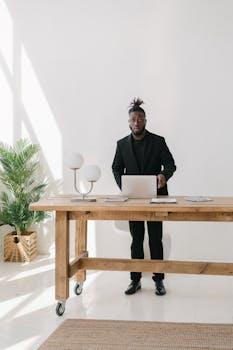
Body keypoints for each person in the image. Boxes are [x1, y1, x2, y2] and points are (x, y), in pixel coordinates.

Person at [112, 98, 176, 296]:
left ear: (145, 120)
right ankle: (135, 280)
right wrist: (124, 187)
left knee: (155, 239)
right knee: (136, 239)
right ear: (129, 122)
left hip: (156, 198)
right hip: (133, 199)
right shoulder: (121, 144)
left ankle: (159, 281)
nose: (137, 122)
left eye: (140, 118)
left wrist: (164, 176)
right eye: (133, 119)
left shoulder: (158, 141)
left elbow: (170, 164)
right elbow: (115, 168)